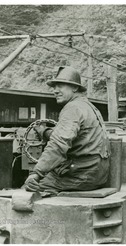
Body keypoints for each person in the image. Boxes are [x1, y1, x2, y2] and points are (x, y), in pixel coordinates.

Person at [24, 66, 110, 194]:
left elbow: (58, 145)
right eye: (54, 87)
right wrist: (44, 131)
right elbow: (77, 137)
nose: (55, 91)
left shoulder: (72, 108)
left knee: (26, 191)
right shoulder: (88, 106)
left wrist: (36, 173)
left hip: (79, 176)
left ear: (75, 88)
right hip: (96, 174)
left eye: (60, 86)